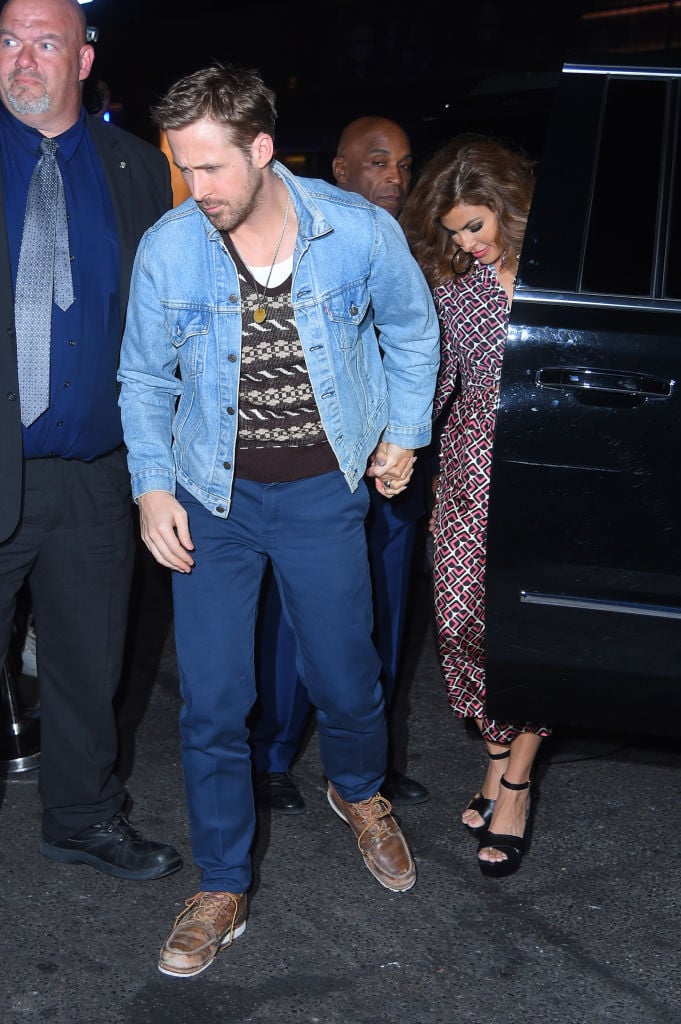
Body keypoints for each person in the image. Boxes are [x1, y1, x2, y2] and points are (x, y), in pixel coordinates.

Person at [117, 64, 440, 977]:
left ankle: (361, 791)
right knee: (215, 702)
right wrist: (150, 486)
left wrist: (404, 435)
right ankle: (223, 883)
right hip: (211, 502)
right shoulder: (171, 248)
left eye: (212, 168)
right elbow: (144, 380)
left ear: (261, 150)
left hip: (318, 492)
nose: (197, 189)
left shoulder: (358, 233)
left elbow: (412, 334)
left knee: (345, 677)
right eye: (184, 168)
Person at [0, 0, 181, 880]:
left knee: (88, 667)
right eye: (6, 41)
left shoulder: (139, 171)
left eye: (44, 42)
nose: (22, 60)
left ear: (82, 58)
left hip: (97, 476)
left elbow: (171, 321)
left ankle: (81, 817)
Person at [252, 115, 430, 813]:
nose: (394, 177)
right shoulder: (322, 239)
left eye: (405, 165)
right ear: (341, 170)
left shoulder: (420, 244)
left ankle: (364, 765)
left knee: (380, 615)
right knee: (298, 614)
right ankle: (271, 754)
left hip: (398, 463)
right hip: (322, 465)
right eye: (379, 162)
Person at [400, 134, 550, 878]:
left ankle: (512, 783)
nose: (466, 242)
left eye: (475, 226)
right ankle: (495, 757)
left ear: (508, 209)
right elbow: (440, 378)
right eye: (454, 230)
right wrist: (397, 442)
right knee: (460, 621)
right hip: (467, 468)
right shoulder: (451, 286)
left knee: (530, 634)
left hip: (548, 471)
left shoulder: (560, 279)